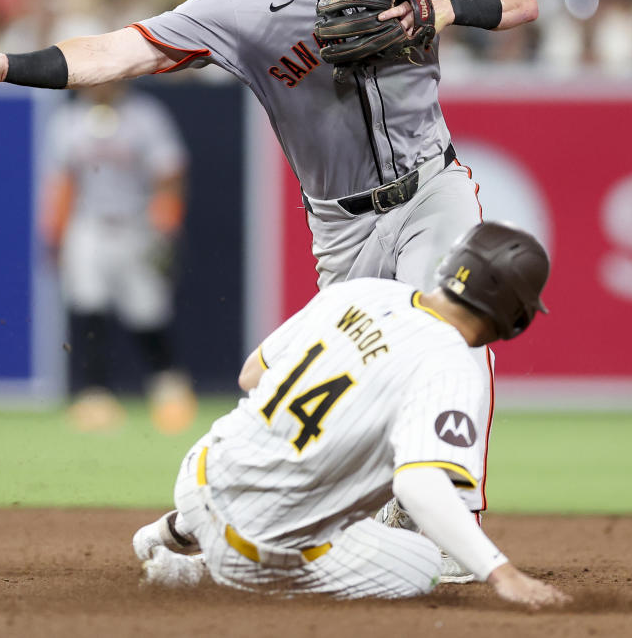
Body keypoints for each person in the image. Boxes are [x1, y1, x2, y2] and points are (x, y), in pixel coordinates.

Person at [0, 0, 537, 568]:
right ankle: (246, 515)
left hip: (432, 186)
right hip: (342, 225)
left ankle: (444, 517)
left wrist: (436, 10)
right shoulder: (238, 11)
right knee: (331, 387)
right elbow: (118, 52)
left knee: (447, 331)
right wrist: (10, 65)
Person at [130, 221, 569, 606]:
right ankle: (201, 572)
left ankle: (179, 528)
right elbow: (419, 485)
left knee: (284, 440)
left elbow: (251, 376)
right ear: (516, 316)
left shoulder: (364, 290)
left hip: (199, 471)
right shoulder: (451, 365)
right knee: (420, 565)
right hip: (256, 542)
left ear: (452, 264)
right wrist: (501, 573)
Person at [40, 81, 197, 434]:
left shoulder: (146, 115)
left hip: (137, 223)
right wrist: (56, 236)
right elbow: (62, 181)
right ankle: (95, 396)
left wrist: (166, 226)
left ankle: (169, 390)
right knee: (87, 307)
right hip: (88, 224)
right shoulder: (68, 120)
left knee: (148, 312)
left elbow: (170, 173)